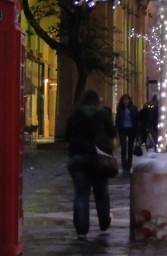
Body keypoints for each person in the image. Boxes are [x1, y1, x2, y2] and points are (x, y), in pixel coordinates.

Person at [66, 90, 116, 240]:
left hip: (79, 159)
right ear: (97, 101)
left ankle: (82, 229)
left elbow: (68, 135)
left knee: (81, 195)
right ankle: (104, 222)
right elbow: (112, 133)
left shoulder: (75, 115)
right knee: (101, 193)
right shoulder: (103, 115)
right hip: (99, 160)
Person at [114, 94, 139, 175]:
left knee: (130, 148)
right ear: (122, 101)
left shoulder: (133, 108)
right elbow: (117, 120)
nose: (126, 101)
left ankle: (129, 166)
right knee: (124, 148)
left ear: (129, 100)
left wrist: (137, 131)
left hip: (131, 130)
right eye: (124, 100)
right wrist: (117, 130)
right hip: (123, 130)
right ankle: (124, 166)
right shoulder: (120, 108)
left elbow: (136, 119)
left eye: (127, 100)